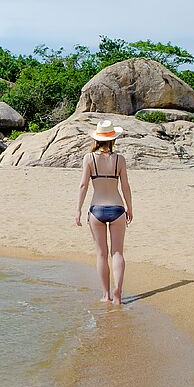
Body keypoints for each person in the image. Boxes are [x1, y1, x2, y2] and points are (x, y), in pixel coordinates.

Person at [75, 120, 133, 305]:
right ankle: (119, 293)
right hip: (117, 208)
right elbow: (125, 186)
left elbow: (84, 185)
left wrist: (78, 209)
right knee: (117, 253)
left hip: (96, 210)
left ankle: (106, 294)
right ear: (112, 139)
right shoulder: (119, 159)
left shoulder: (89, 158)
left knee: (101, 254)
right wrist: (129, 208)